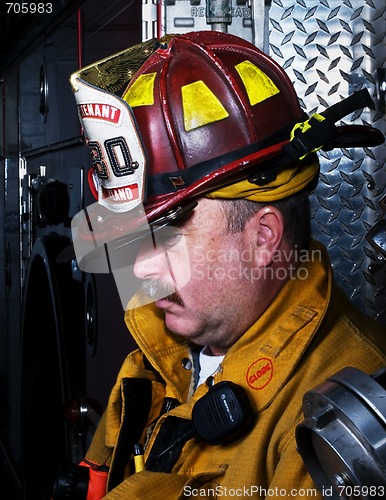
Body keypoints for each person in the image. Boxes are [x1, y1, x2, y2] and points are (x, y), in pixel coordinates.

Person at [68, 31, 386, 499]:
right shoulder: (153, 359)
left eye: (167, 236)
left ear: (262, 238)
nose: (141, 270)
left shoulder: (342, 423)